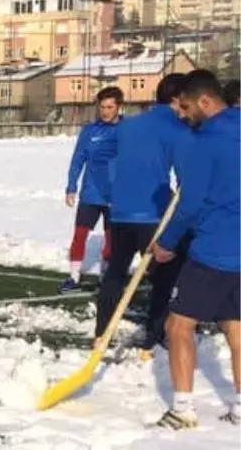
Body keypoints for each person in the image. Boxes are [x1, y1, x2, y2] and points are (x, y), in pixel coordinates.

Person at [152, 70, 241, 429]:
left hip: (215, 252)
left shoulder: (207, 143)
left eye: (186, 107)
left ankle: (183, 409)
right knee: (235, 327)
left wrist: (166, 244)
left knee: (178, 325)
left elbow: (188, 204)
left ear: (205, 101)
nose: (183, 115)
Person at [95, 73, 193, 353]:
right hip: (153, 215)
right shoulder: (177, 130)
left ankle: (101, 330)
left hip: (121, 211)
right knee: (165, 274)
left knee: (115, 271)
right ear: (177, 100)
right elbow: (187, 179)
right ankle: (154, 335)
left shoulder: (129, 126)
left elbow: (115, 165)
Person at [60, 86, 122, 293]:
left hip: (117, 196)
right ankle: (73, 277)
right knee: (80, 234)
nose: (105, 111)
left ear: (119, 107)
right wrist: (71, 186)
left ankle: (105, 278)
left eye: (110, 107)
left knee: (112, 238)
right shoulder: (90, 131)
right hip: (91, 194)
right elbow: (78, 159)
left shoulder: (128, 131)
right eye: (102, 107)